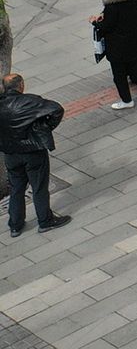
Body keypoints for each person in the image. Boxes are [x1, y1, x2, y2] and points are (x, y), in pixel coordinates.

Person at [1, 73, 69, 237]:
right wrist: (44, 128)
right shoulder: (29, 101)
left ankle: (15, 225)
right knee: (38, 186)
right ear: (21, 85)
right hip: (32, 151)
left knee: (16, 188)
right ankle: (45, 221)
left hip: (11, 154)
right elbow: (56, 109)